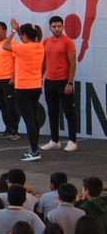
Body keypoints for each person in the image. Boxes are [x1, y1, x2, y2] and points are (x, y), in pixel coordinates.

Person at [2, 20, 45, 161]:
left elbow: (5, 45)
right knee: (33, 118)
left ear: (25, 35)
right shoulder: (40, 46)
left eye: (21, 35)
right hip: (36, 86)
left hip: (24, 87)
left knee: (29, 120)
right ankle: (34, 148)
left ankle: (34, 151)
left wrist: (14, 31)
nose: (20, 37)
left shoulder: (23, 48)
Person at [40, 15, 79, 153]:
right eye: (54, 27)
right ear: (50, 28)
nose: (57, 29)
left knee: (69, 112)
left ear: (63, 27)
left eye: (59, 26)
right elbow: (43, 62)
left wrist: (69, 83)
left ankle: (72, 141)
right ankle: (54, 140)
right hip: (49, 81)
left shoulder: (68, 42)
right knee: (52, 111)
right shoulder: (46, 41)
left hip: (63, 81)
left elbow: (73, 64)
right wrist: (40, 78)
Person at [0, 21, 21, 141]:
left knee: (10, 106)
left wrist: (14, 76)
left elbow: (17, 61)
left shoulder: (12, 43)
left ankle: (14, 131)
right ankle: (8, 129)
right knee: (2, 106)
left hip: (8, 80)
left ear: (5, 31)